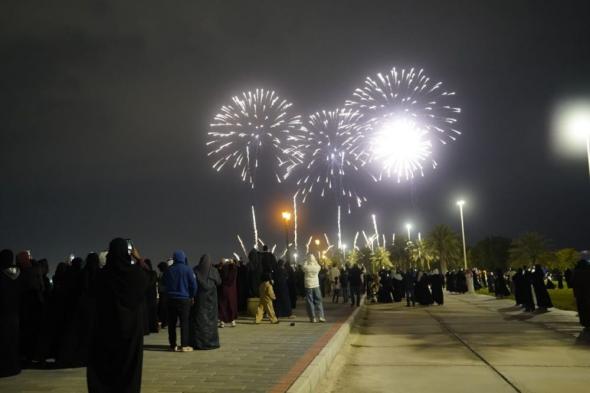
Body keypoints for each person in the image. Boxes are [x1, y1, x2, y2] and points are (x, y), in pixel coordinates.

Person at [87, 238, 148, 393]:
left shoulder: (102, 275)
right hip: (131, 330)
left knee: (105, 366)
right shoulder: (136, 274)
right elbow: (149, 278)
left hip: (105, 328)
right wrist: (139, 259)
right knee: (129, 367)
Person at [164, 250, 197, 352]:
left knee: (172, 323)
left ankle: (173, 344)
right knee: (184, 323)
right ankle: (184, 345)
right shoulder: (188, 269)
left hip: (171, 299)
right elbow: (194, 286)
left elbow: (164, 283)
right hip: (184, 299)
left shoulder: (169, 270)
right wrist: (191, 296)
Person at [190, 255, 221, 350]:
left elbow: (192, 283)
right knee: (211, 321)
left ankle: (198, 342)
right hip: (211, 300)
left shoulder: (195, 270)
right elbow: (219, 282)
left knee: (199, 320)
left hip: (199, 299)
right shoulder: (214, 271)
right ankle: (211, 342)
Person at [0, 249, 21, 378]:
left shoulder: (1, 274)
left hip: (3, 312)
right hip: (14, 311)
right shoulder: (17, 273)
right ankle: (12, 366)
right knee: (12, 341)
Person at [302, 255, 325, 322]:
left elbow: (303, 267)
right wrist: (315, 261)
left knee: (310, 302)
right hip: (316, 285)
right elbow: (319, 266)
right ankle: (321, 316)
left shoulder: (306, 267)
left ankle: (313, 318)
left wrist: (306, 261)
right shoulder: (317, 267)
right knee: (318, 301)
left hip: (308, 285)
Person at [218, 259, 238, 327]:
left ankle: (222, 321)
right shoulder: (233, 270)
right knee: (231, 305)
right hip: (232, 290)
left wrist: (221, 265)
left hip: (223, 289)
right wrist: (232, 263)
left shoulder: (223, 270)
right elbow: (235, 267)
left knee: (223, 305)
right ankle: (232, 321)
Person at [572, 259, 590, 330]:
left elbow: (572, 282)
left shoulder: (576, 272)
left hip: (580, 293)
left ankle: (586, 323)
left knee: (582, 309)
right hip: (587, 292)